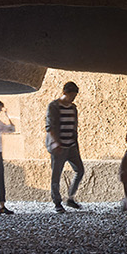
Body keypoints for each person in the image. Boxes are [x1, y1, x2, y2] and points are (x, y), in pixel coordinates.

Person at [46, 80, 85, 213]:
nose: (72, 99)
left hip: (72, 146)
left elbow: (74, 126)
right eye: (71, 96)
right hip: (59, 147)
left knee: (80, 170)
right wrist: (56, 143)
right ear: (64, 93)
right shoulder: (54, 106)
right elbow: (50, 127)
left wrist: (75, 144)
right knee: (56, 175)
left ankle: (70, 198)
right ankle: (57, 203)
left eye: (74, 97)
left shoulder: (73, 108)